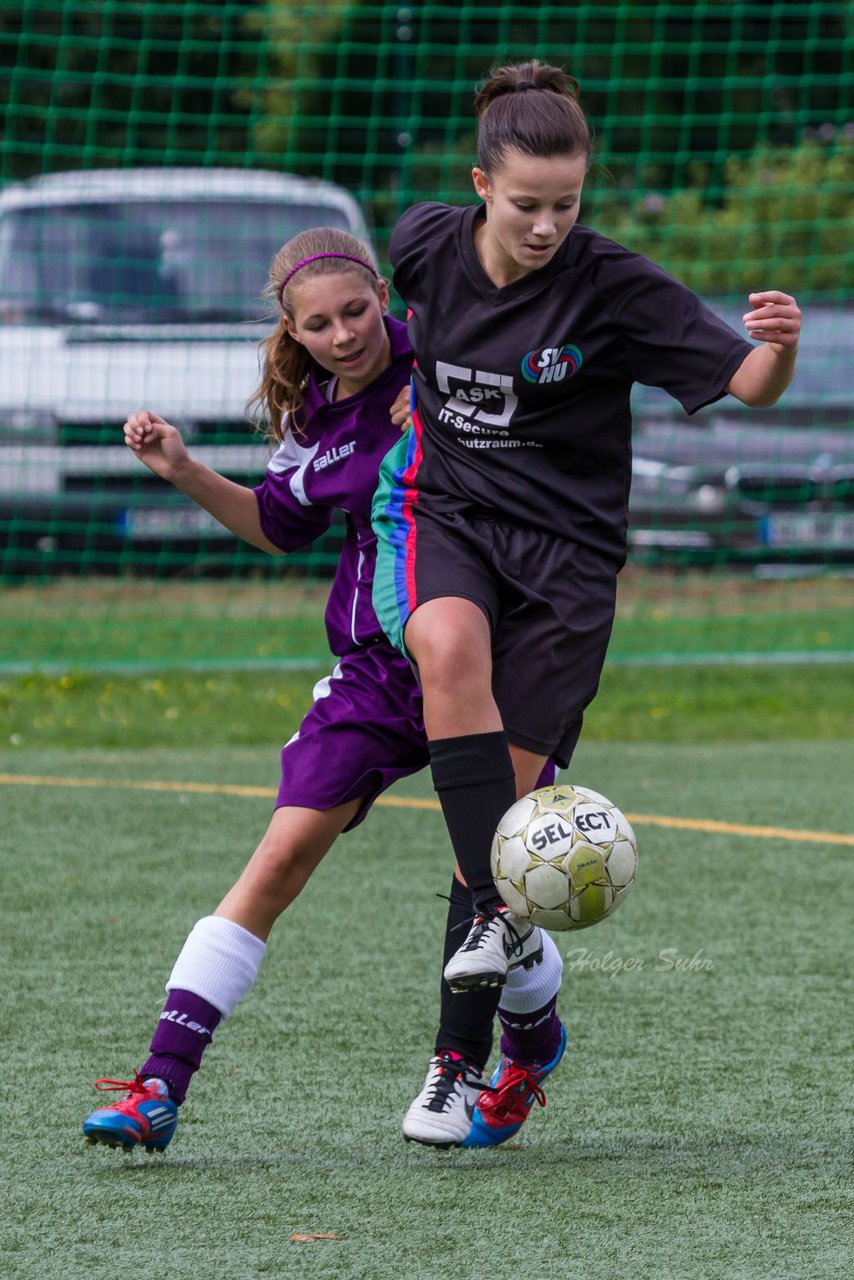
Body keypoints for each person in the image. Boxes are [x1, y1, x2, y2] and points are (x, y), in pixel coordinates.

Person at [372, 59, 801, 1130]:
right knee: (446, 649)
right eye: (525, 203)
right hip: (452, 518)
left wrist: (777, 349)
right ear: (479, 184)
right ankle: (454, 1052)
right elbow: (398, 330)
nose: (546, 224)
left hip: (565, 563)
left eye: (566, 203)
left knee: (503, 834)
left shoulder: (610, 284)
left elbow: (743, 384)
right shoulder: (422, 241)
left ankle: (463, 1053)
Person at [81, 226, 565, 1156]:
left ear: (384, 295)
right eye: (320, 324)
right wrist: (183, 470)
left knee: (500, 882)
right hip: (379, 671)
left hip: (493, 659)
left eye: (356, 311)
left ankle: (522, 1047)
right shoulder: (318, 420)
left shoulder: (454, 359)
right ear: (293, 333)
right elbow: (276, 525)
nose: (345, 334)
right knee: (280, 857)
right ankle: (157, 1087)